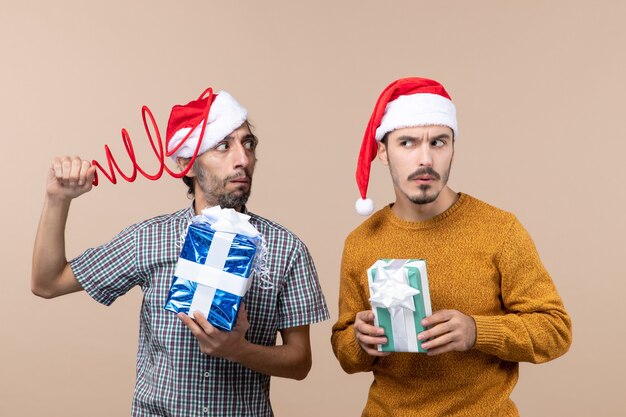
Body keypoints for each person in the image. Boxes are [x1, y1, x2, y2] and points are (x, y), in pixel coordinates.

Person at [32, 88, 329, 417]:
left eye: (248, 144)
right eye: (223, 146)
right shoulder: (151, 239)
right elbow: (48, 282)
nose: (242, 159)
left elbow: (300, 362)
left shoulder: (286, 249)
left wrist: (238, 349)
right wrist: (58, 200)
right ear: (187, 163)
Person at [330, 77, 572, 417]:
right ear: (383, 151)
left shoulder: (499, 229)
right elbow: (344, 351)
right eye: (408, 143)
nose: (425, 159)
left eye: (438, 142)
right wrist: (360, 341)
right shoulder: (361, 241)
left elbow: (555, 330)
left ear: (453, 148)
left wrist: (477, 331)